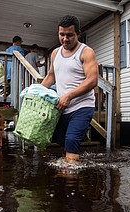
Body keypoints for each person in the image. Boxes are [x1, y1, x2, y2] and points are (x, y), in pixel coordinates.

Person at [41, 15, 98, 162]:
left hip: (82, 106)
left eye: (70, 35)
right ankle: (68, 170)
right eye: (62, 34)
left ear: (78, 34)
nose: (65, 39)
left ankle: (70, 180)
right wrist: (37, 92)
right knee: (61, 141)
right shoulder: (55, 53)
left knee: (71, 139)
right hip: (62, 107)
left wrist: (69, 96)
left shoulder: (86, 52)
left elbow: (92, 80)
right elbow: (51, 76)